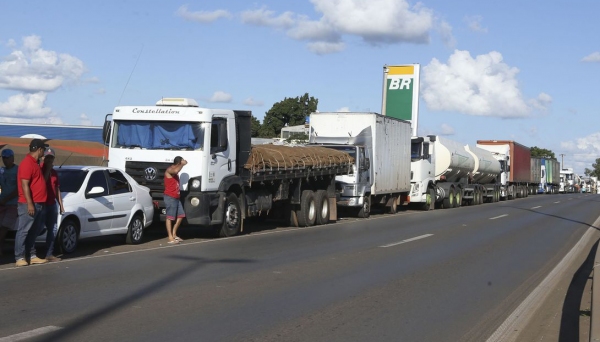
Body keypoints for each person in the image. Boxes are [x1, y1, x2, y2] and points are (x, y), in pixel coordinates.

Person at [15, 139, 49, 267]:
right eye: (43, 149)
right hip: (28, 204)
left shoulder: (35, 163)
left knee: (34, 231)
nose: (44, 152)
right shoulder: (27, 163)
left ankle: (32, 255)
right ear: (39, 149)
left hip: (39, 203)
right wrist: (30, 203)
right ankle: (19, 257)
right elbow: (24, 185)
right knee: (23, 230)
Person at [41, 148, 64, 262]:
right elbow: (41, 183)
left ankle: (49, 253)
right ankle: (29, 252)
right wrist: (47, 170)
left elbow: (57, 189)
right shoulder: (40, 169)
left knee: (53, 229)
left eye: (51, 157)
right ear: (43, 158)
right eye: (47, 157)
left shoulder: (54, 173)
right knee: (38, 228)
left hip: (51, 204)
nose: (49, 159)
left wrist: (60, 204)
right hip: (42, 204)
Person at [164, 156, 187, 244]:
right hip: (170, 197)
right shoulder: (170, 170)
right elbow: (176, 170)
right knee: (170, 217)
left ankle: (174, 234)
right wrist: (182, 164)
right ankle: (170, 237)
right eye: (181, 162)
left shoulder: (176, 171)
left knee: (181, 215)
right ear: (178, 163)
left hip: (176, 197)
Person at [0, 149, 18, 256]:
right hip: (2, 203)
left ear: (12, 158)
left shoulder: (17, 170)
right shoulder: (1, 171)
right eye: (3, 158)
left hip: (12, 204)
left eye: (7, 158)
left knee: (4, 227)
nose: (5, 160)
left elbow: (18, 189)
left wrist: (6, 200)